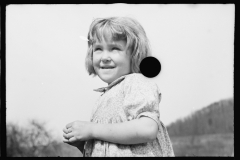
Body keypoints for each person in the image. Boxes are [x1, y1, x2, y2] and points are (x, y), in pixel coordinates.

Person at [62, 17, 174, 157]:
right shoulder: (104, 97)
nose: (104, 57)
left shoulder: (136, 82)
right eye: (98, 49)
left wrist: (92, 130)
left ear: (134, 53)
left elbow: (148, 129)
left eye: (114, 48)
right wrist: (87, 144)